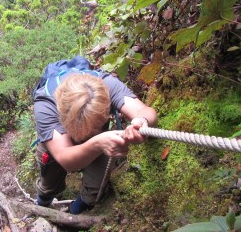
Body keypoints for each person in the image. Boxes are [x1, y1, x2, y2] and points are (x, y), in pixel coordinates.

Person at [33, 59, 157, 214]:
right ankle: (42, 204)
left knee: (94, 189)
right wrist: (97, 143)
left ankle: (75, 212)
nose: (86, 135)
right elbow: (65, 159)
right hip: (57, 143)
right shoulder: (45, 105)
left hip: (101, 139)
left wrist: (141, 121)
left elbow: (145, 112)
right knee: (49, 182)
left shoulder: (108, 85)